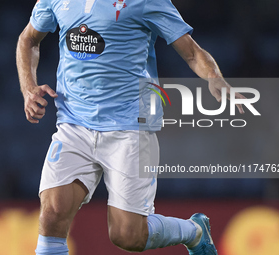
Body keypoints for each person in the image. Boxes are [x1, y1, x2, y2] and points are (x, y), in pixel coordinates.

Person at [16, 0, 245, 254]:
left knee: (128, 236)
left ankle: (194, 231)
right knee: (51, 215)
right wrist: (28, 88)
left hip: (130, 127)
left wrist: (215, 78)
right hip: (73, 123)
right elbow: (28, 40)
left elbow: (191, 51)